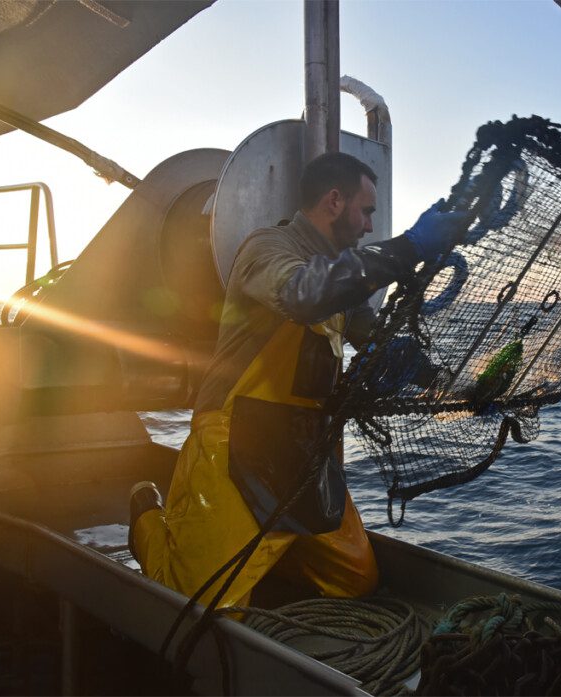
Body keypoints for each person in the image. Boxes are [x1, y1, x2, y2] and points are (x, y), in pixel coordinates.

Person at [129, 152, 467, 608]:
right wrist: (409, 247)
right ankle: (145, 515)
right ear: (333, 201)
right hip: (236, 440)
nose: (369, 225)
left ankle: (269, 549)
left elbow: (374, 338)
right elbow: (304, 294)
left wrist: (444, 381)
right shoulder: (268, 248)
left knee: (355, 582)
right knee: (199, 602)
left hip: (306, 450)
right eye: (365, 211)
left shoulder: (341, 273)